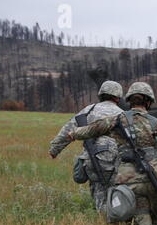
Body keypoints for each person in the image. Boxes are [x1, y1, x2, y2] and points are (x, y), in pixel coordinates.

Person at [69, 82, 157, 225]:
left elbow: (91, 130)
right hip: (154, 183)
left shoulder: (117, 119)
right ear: (149, 102)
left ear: (129, 100)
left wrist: (74, 134)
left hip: (129, 183)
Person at [49, 81, 124, 214]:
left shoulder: (88, 110)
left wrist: (54, 150)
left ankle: (103, 219)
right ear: (117, 97)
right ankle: (116, 218)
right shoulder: (123, 114)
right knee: (116, 192)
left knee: (99, 191)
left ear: (101, 94)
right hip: (116, 161)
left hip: (92, 158)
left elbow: (68, 130)